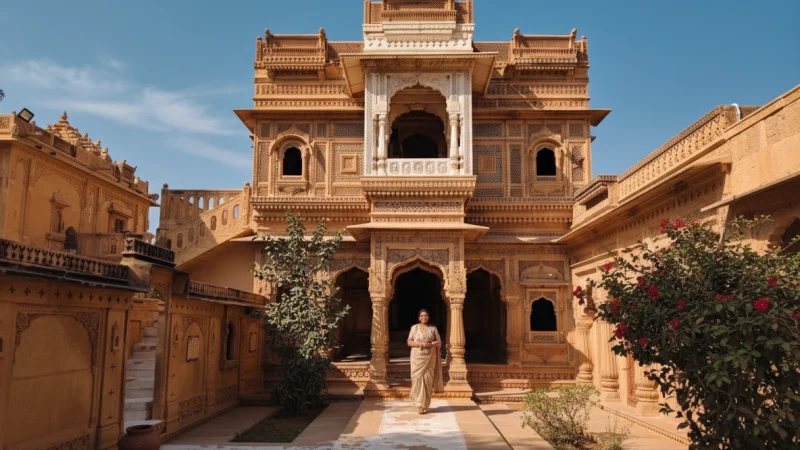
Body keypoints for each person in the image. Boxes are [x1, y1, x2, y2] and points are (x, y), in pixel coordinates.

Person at [407, 309, 444, 414]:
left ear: (428, 317)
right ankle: (419, 403)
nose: (424, 317)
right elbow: (409, 342)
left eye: (426, 315)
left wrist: (431, 344)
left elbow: (439, 342)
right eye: (422, 316)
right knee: (417, 379)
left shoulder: (433, 329)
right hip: (416, 358)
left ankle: (424, 405)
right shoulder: (414, 328)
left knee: (427, 380)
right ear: (419, 318)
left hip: (430, 358)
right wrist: (420, 344)